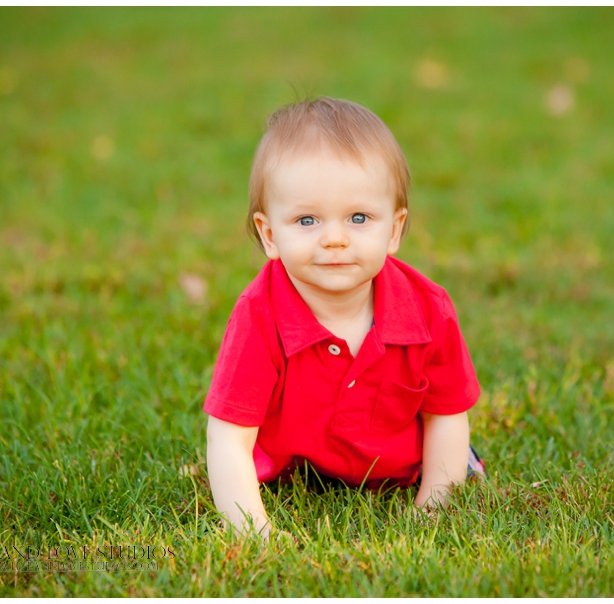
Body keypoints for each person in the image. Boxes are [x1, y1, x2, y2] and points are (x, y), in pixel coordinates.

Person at [204, 97, 483, 538]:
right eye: (308, 220)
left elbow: (445, 414)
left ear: (393, 229)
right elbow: (229, 437)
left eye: (358, 218)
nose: (334, 239)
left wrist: (433, 505)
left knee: (457, 457)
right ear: (270, 234)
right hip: (298, 467)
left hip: (398, 465)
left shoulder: (428, 309)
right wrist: (253, 532)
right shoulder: (259, 316)